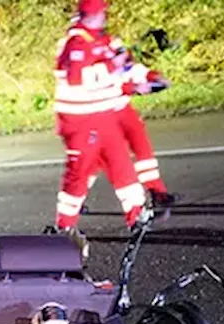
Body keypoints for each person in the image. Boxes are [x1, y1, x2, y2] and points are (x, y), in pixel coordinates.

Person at [51, 0, 148, 254]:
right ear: (92, 14)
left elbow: (122, 70)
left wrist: (140, 82)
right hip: (81, 124)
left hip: (103, 119)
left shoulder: (103, 40)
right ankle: (64, 228)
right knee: (79, 176)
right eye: (102, 11)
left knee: (121, 166)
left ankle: (137, 216)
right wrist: (112, 68)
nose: (105, 15)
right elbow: (77, 78)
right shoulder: (76, 43)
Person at [108, 36, 177, 207]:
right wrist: (132, 88)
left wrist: (158, 79)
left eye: (123, 52)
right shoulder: (98, 71)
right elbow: (104, 87)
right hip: (103, 117)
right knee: (96, 164)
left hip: (124, 112)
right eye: (118, 53)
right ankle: (75, 205)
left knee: (144, 152)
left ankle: (156, 191)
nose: (123, 56)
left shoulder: (127, 67)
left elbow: (144, 73)